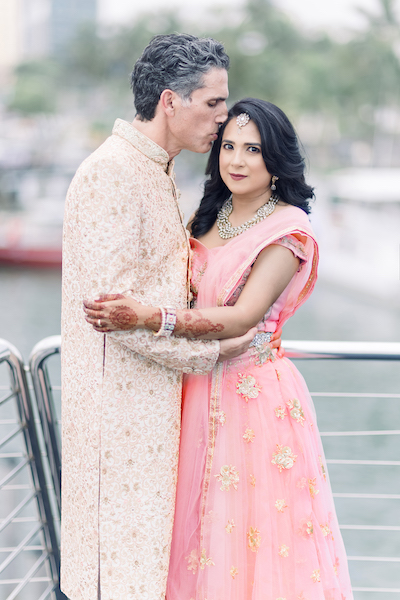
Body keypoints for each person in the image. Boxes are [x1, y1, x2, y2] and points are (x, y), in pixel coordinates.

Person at [85, 98, 354, 599]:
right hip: (190, 391)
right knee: (195, 535)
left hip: (252, 401)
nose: (236, 160)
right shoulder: (209, 213)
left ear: (277, 159)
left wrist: (150, 318)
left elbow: (243, 316)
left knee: (252, 539)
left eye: (252, 149)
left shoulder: (287, 229)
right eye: (228, 145)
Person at [61, 34, 286, 600]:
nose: (222, 119)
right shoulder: (112, 173)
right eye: (213, 104)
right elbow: (113, 317)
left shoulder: (155, 171)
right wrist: (221, 348)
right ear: (170, 101)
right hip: (120, 425)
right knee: (115, 582)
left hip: (156, 418)